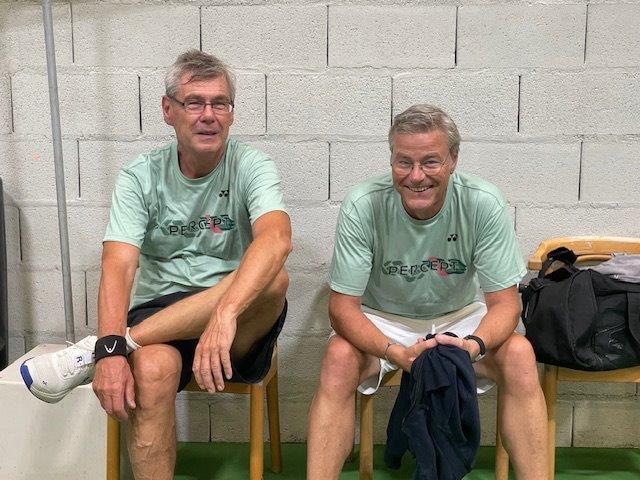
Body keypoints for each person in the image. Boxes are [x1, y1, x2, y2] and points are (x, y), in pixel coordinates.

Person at [21, 50, 291, 479]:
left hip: (235, 322)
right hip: (161, 310)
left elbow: (276, 238)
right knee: (150, 369)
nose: (208, 115)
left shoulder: (251, 165)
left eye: (220, 103)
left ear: (231, 113)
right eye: (194, 102)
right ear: (168, 110)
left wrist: (223, 314)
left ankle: (111, 344)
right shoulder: (140, 176)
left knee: (274, 278)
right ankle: (122, 345)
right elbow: (118, 265)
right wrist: (113, 355)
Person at [307, 104, 548, 479]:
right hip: (383, 319)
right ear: (392, 160)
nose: (416, 176)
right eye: (404, 162)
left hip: (459, 318)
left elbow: (505, 304)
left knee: (519, 354)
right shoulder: (363, 203)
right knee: (338, 357)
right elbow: (342, 309)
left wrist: (472, 346)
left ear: (453, 160)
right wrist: (396, 353)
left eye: (430, 162)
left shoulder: (482, 201)